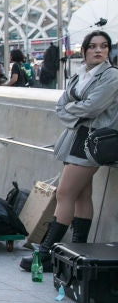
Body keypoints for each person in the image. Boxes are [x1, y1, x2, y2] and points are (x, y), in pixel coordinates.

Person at [20, 31, 118, 273]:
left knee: (64, 193)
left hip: (92, 141)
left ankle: (47, 252)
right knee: (82, 195)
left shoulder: (112, 76)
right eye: (93, 46)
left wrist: (72, 109)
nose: (99, 50)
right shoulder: (79, 75)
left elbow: (93, 107)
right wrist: (76, 110)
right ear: (83, 50)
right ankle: (76, 252)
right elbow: (60, 106)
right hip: (75, 137)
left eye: (104, 46)